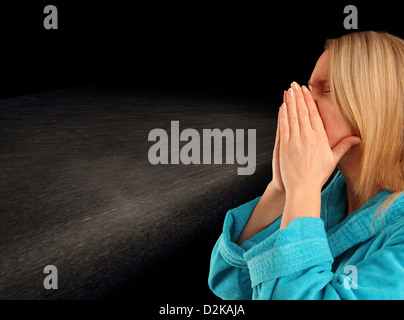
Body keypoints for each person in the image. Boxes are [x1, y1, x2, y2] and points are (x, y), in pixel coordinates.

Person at [208, 31, 404, 299]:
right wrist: (281, 189)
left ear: (377, 108)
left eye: (325, 90)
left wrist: (302, 189)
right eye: (309, 88)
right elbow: (230, 283)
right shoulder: (324, 200)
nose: (304, 102)